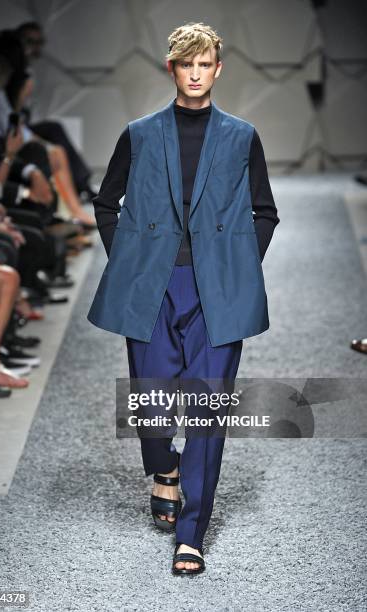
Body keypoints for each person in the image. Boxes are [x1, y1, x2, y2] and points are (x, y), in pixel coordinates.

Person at [88, 22, 280, 575]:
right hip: (151, 286)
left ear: (218, 69)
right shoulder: (140, 133)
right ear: (171, 69)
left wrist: (237, 272)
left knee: (206, 412)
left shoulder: (242, 136)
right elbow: (107, 202)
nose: (195, 74)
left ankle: (191, 535)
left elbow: (263, 211)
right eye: (185, 64)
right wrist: (128, 264)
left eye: (204, 65)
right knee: (150, 407)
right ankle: (164, 469)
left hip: (216, 291)